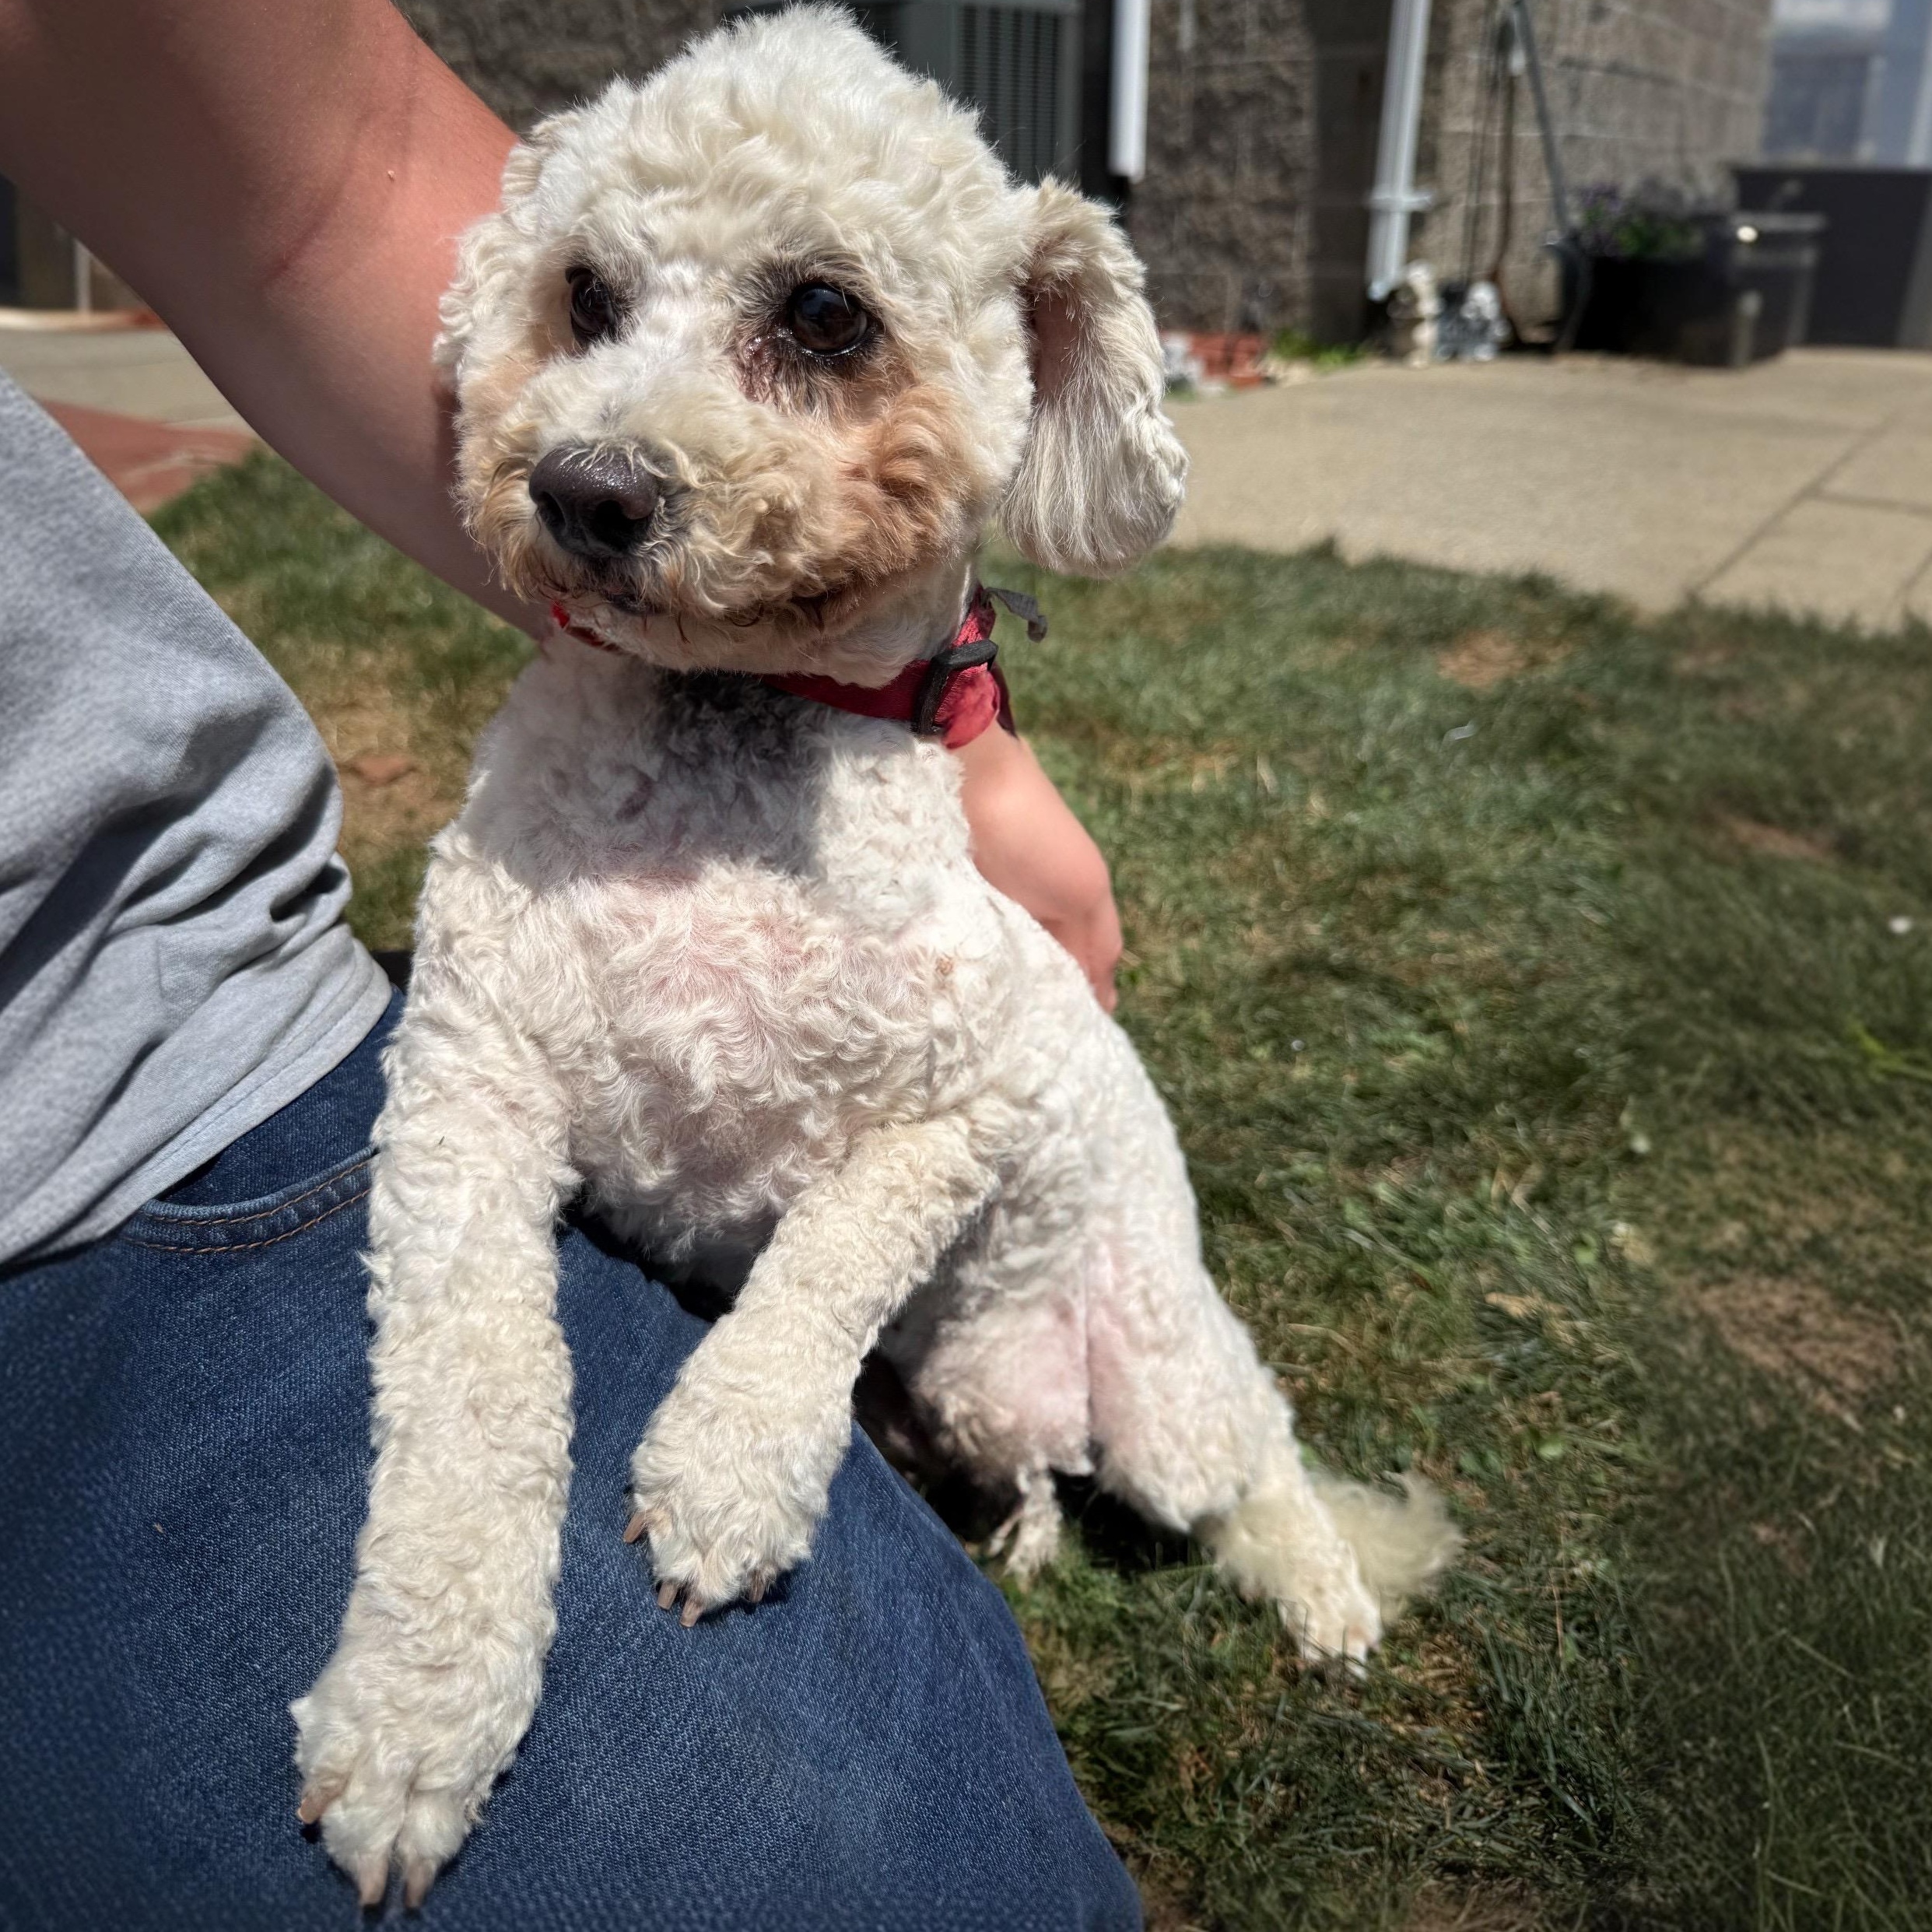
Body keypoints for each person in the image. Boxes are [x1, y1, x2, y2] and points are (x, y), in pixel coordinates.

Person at [0, 2, 1140, 1923]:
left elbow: (331, 178)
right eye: (595, 304)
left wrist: (958, 713)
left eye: (820, 325)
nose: (604, 451)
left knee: (910, 1879)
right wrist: (449, 1605)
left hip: (87, 1076)